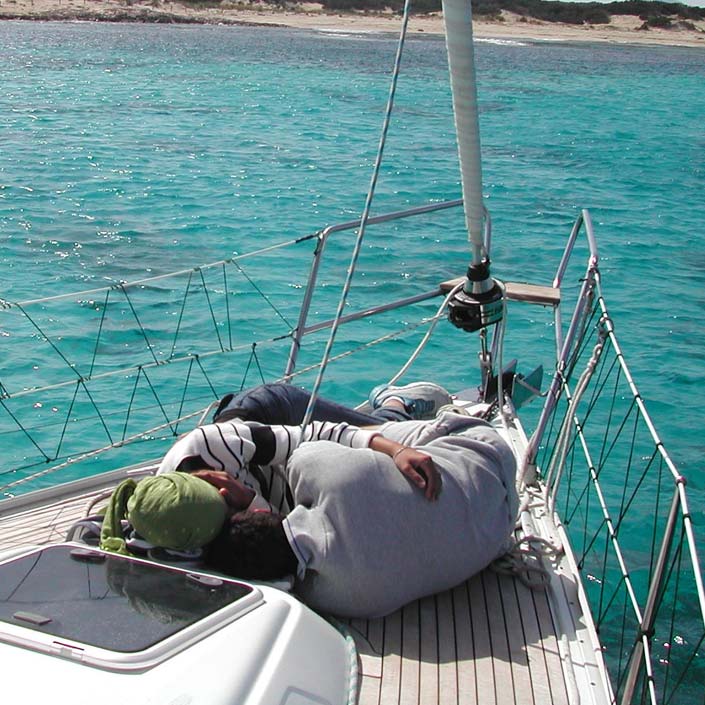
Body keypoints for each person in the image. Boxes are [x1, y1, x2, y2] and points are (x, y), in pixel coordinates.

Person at [201, 408, 518, 619]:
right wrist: (248, 496)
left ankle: (392, 409)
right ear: (260, 513)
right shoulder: (312, 468)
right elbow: (321, 437)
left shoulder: (336, 600)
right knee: (371, 438)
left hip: (497, 529)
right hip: (483, 449)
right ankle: (395, 404)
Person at [157, 382, 453, 512]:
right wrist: (248, 499)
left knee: (380, 434)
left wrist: (397, 450)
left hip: (270, 413)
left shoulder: (209, 447)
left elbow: (318, 434)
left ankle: (396, 403)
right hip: (259, 465)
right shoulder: (180, 528)